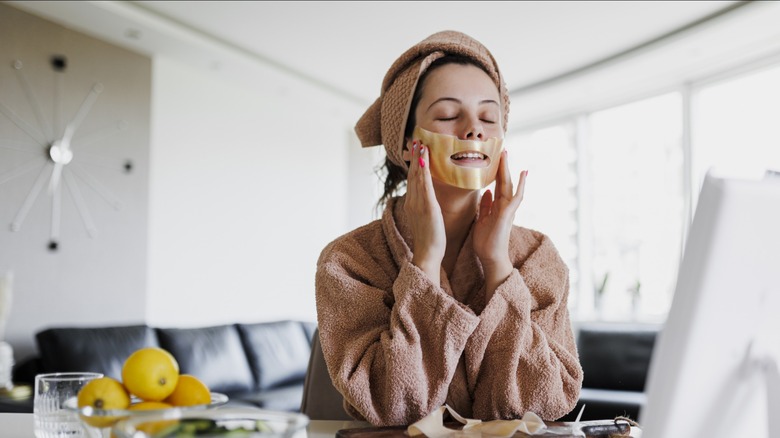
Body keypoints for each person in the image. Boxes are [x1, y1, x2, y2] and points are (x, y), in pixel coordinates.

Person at [315, 30, 582, 427]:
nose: (474, 129)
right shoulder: (348, 261)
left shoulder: (536, 256)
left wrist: (498, 267)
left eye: (489, 117)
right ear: (406, 144)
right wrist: (424, 264)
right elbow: (389, 407)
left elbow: (544, 404)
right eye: (447, 115)